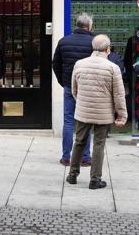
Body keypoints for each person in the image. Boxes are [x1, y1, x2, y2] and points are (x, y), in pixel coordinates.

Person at [66, 35, 127, 189]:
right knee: (99, 144)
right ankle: (95, 179)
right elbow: (119, 95)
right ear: (107, 49)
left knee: (79, 141)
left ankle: (72, 174)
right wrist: (122, 115)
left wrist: (82, 102)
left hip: (83, 111)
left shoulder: (79, 64)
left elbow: (74, 90)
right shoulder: (113, 68)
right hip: (103, 113)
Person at [52, 13, 94, 167]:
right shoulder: (93, 42)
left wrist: (63, 82)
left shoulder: (64, 41)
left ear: (77, 25)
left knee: (69, 121)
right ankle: (85, 158)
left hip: (70, 86)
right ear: (89, 26)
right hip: (87, 87)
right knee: (86, 121)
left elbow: (55, 64)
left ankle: (66, 157)